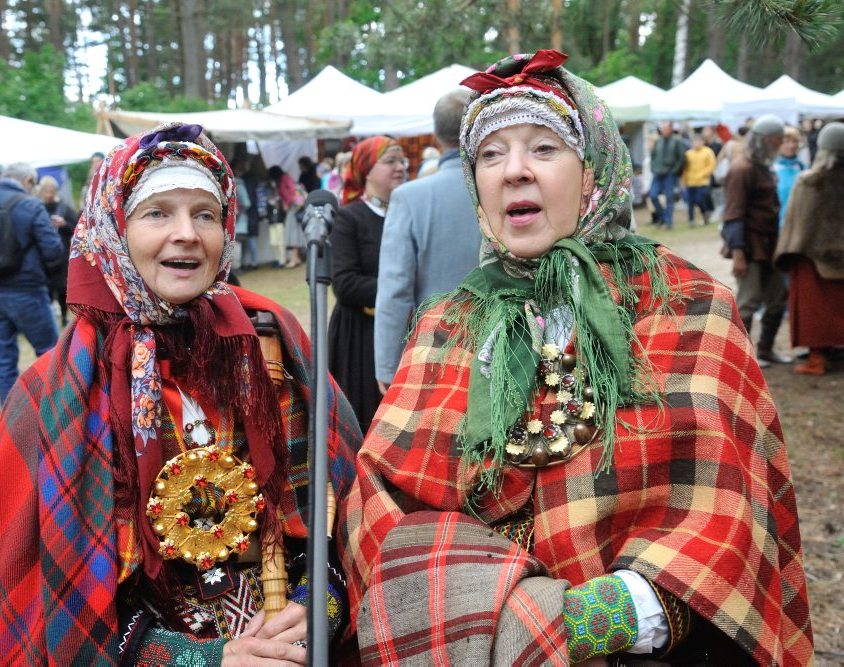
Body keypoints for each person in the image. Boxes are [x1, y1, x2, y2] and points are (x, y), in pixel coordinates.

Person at [339, 50, 813, 666]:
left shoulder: (687, 306)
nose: (513, 171)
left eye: (543, 148)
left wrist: (574, 624)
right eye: (490, 153)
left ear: (592, 173)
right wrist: (486, 607)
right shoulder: (446, 324)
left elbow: (726, 519)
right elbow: (383, 500)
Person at [0, 122, 362, 664]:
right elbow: (57, 603)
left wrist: (318, 604)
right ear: (112, 230)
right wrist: (202, 659)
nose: (187, 234)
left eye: (205, 214)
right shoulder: (57, 391)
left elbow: (345, 520)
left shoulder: (270, 345)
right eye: (158, 213)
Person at [374, 89, 481, 391]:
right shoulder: (503, 188)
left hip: (435, 349)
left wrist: (386, 364)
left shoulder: (410, 198)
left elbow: (395, 291)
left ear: (436, 136)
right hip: (508, 344)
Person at [0, 162, 63, 404]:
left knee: (5, 363)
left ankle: (10, 422)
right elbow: (53, 250)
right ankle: (57, 411)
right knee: (50, 355)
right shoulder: (31, 206)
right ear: (27, 181)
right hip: (28, 290)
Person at [328, 136, 407, 434]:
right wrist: (402, 289)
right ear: (366, 170)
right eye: (390, 161)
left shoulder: (406, 211)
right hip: (361, 335)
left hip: (402, 329)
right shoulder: (348, 218)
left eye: (401, 161)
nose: (399, 168)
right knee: (367, 420)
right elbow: (345, 284)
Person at [721, 114, 793, 368]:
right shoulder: (742, 169)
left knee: (777, 298)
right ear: (765, 140)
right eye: (777, 140)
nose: (780, 144)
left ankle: (766, 349)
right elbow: (733, 215)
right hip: (749, 247)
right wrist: (739, 253)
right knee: (748, 303)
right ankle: (742, 358)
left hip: (770, 245)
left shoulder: (762, 166)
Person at [775, 121, 844, 376]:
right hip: (834, 258)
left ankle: (818, 358)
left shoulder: (810, 182)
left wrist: (788, 250)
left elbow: (797, 222)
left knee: (816, 309)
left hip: (812, 257)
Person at [38, 175, 79, 327]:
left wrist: (63, 224)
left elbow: (76, 229)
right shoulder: (37, 208)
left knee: (62, 287)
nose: (48, 195)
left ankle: (63, 316)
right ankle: (48, 318)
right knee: (47, 287)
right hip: (43, 254)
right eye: (46, 192)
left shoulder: (64, 208)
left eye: (51, 192)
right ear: (41, 191)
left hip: (62, 253)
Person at [648, 120, 685, 228]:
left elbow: (681, 157)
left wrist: (675, 170)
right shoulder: (658, 141)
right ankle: (663, 217)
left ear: (671, 129)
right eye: (663, 128)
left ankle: (668, 222)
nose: (663, 130)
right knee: (653, 195)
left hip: (669, 174)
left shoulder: (677, 141)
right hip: (657, 174)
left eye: (666, 128)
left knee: (669, 198)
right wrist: (653, 168)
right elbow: (653, 156)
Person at [269, 165, 304, 268]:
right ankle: (296, 257)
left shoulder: (284, 178)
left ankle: (294, 258)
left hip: (292, 207)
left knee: (292, 231)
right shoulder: (281, 180)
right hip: (291, 207)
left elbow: (292, 191)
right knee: (293, 231)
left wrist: (287, 204)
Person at [773, 125, 807, 228]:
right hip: (776, 225)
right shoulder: (772, 167)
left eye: (794, 141)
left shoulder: (802, 167)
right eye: (786, 142)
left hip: (799, 225)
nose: (791, 145)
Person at [680, 131, 716, 226]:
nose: (696, 144)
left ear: (702, 142)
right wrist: (683, 181)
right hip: (690, 182)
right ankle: (691, 220)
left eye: (698, 142)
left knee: (700, 199)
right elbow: (685, 169)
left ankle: (705, 213)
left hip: (702, 182)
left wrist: (703, 174)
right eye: (694, 142)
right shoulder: (688, 154)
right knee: (690, 202)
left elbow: (711, 165)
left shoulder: (707, 152)